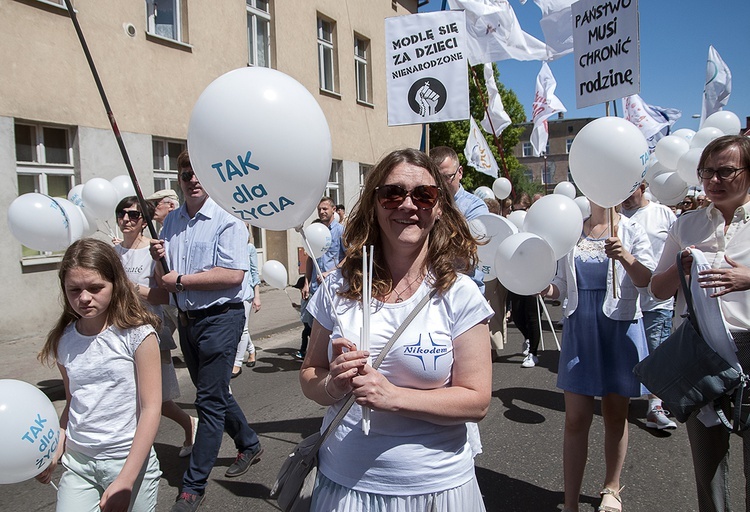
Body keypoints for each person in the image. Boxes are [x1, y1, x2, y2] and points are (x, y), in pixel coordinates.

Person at [299, 148, 493, 511]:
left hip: (437, 487)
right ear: (375, 203)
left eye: (424, 195)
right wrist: (332, 384)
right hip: (347, 485)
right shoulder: (339, 286)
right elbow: (310, 373)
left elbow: (477, 400)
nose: (408, 205)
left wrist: (394, 398)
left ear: (438, 208)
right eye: (393, 193)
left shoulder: (459, 292)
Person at [150, 150, 262, 512]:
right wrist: (158, 261)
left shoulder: (228, 217)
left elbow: (232, 275)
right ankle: (249, 442)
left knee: (209, 401)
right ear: (178, 179)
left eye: (199, 174)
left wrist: (180, 280)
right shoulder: (171, 223)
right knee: (210, 391)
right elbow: (162, 280)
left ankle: (192, 486)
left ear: (211, 179)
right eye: (186, 173)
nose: (192, 179)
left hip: (221, 318)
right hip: (188, 320)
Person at [650, 135, 750, 512]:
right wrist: (681, 270)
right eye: (706, 172)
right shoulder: (687, 226)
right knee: (709, 473)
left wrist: (748, 280)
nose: (714, 180)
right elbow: (658, 290)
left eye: (726, 171)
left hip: (749, 346)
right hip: (699, 355)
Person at [541, 202, 655, 512]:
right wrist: (543, 287)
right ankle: (571, 501)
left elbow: (648, 281)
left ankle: (612, 487)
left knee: (616, 414)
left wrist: (626, 256)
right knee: (576, 419)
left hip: (619, 327)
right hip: (581, 329)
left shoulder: (631, 230)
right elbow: (562, 286)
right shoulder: (571, 230)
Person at [36, 238, 162, 511]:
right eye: (74, 290)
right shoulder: (64, 340)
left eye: (95, 288)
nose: (83, 298)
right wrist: (55, 447)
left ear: (115, 284)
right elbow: (73, 402)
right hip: (79, 462)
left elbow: (151, 408)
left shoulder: (138, 335)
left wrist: (126, 480)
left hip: (128, 460)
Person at [114, 196, 199, 456]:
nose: (126, 219)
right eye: (122, 214)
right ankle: (133, 450)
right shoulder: (114, 252)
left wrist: (133, 289)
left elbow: (166, 295)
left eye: (133, 215)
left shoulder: (153, 251)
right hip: (119, 330)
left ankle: (190, 424)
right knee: (128, 395)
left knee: (159, 400)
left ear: (144, 221)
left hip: (149, 329)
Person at [621, 182, 678, 430]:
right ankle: (623, 396)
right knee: (628, 352)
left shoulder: (663, 214)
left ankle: (655, 405)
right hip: (624, 300)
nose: (624, 197)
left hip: (657, 299)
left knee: (656, 351)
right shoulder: (616, 218)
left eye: (629, 190)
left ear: (642, 187)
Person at [297, 198, 346, 360]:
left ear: (333, 209)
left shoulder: (340, 231)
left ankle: (332, 357)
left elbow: (350, 256)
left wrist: (331, 272)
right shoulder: (315, 230)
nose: (322, 212)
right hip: (315, 288)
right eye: (319, 209)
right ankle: (318, 356)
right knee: (312, 325)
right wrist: (306, 283)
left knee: (332, 326)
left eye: (325, 209)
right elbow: (311, 258)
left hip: (333, 287)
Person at [509, 193, 543, 368]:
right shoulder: (512, 226)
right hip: (516, 273)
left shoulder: (537, 225)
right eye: (514, 210)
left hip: (534, 272)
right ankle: (528, 338)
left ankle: (533, 353)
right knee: (517, 315)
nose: (517, 214)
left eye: (521, 210)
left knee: (532, 316)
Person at [232, 226, 262, 377]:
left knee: (243, 328)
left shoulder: (249, 248)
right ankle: (251, 350)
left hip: (247, 293)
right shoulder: (230, 245)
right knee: (239, 326)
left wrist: (257, 296)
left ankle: (237, 362)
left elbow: (254, 271)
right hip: (232, 292)